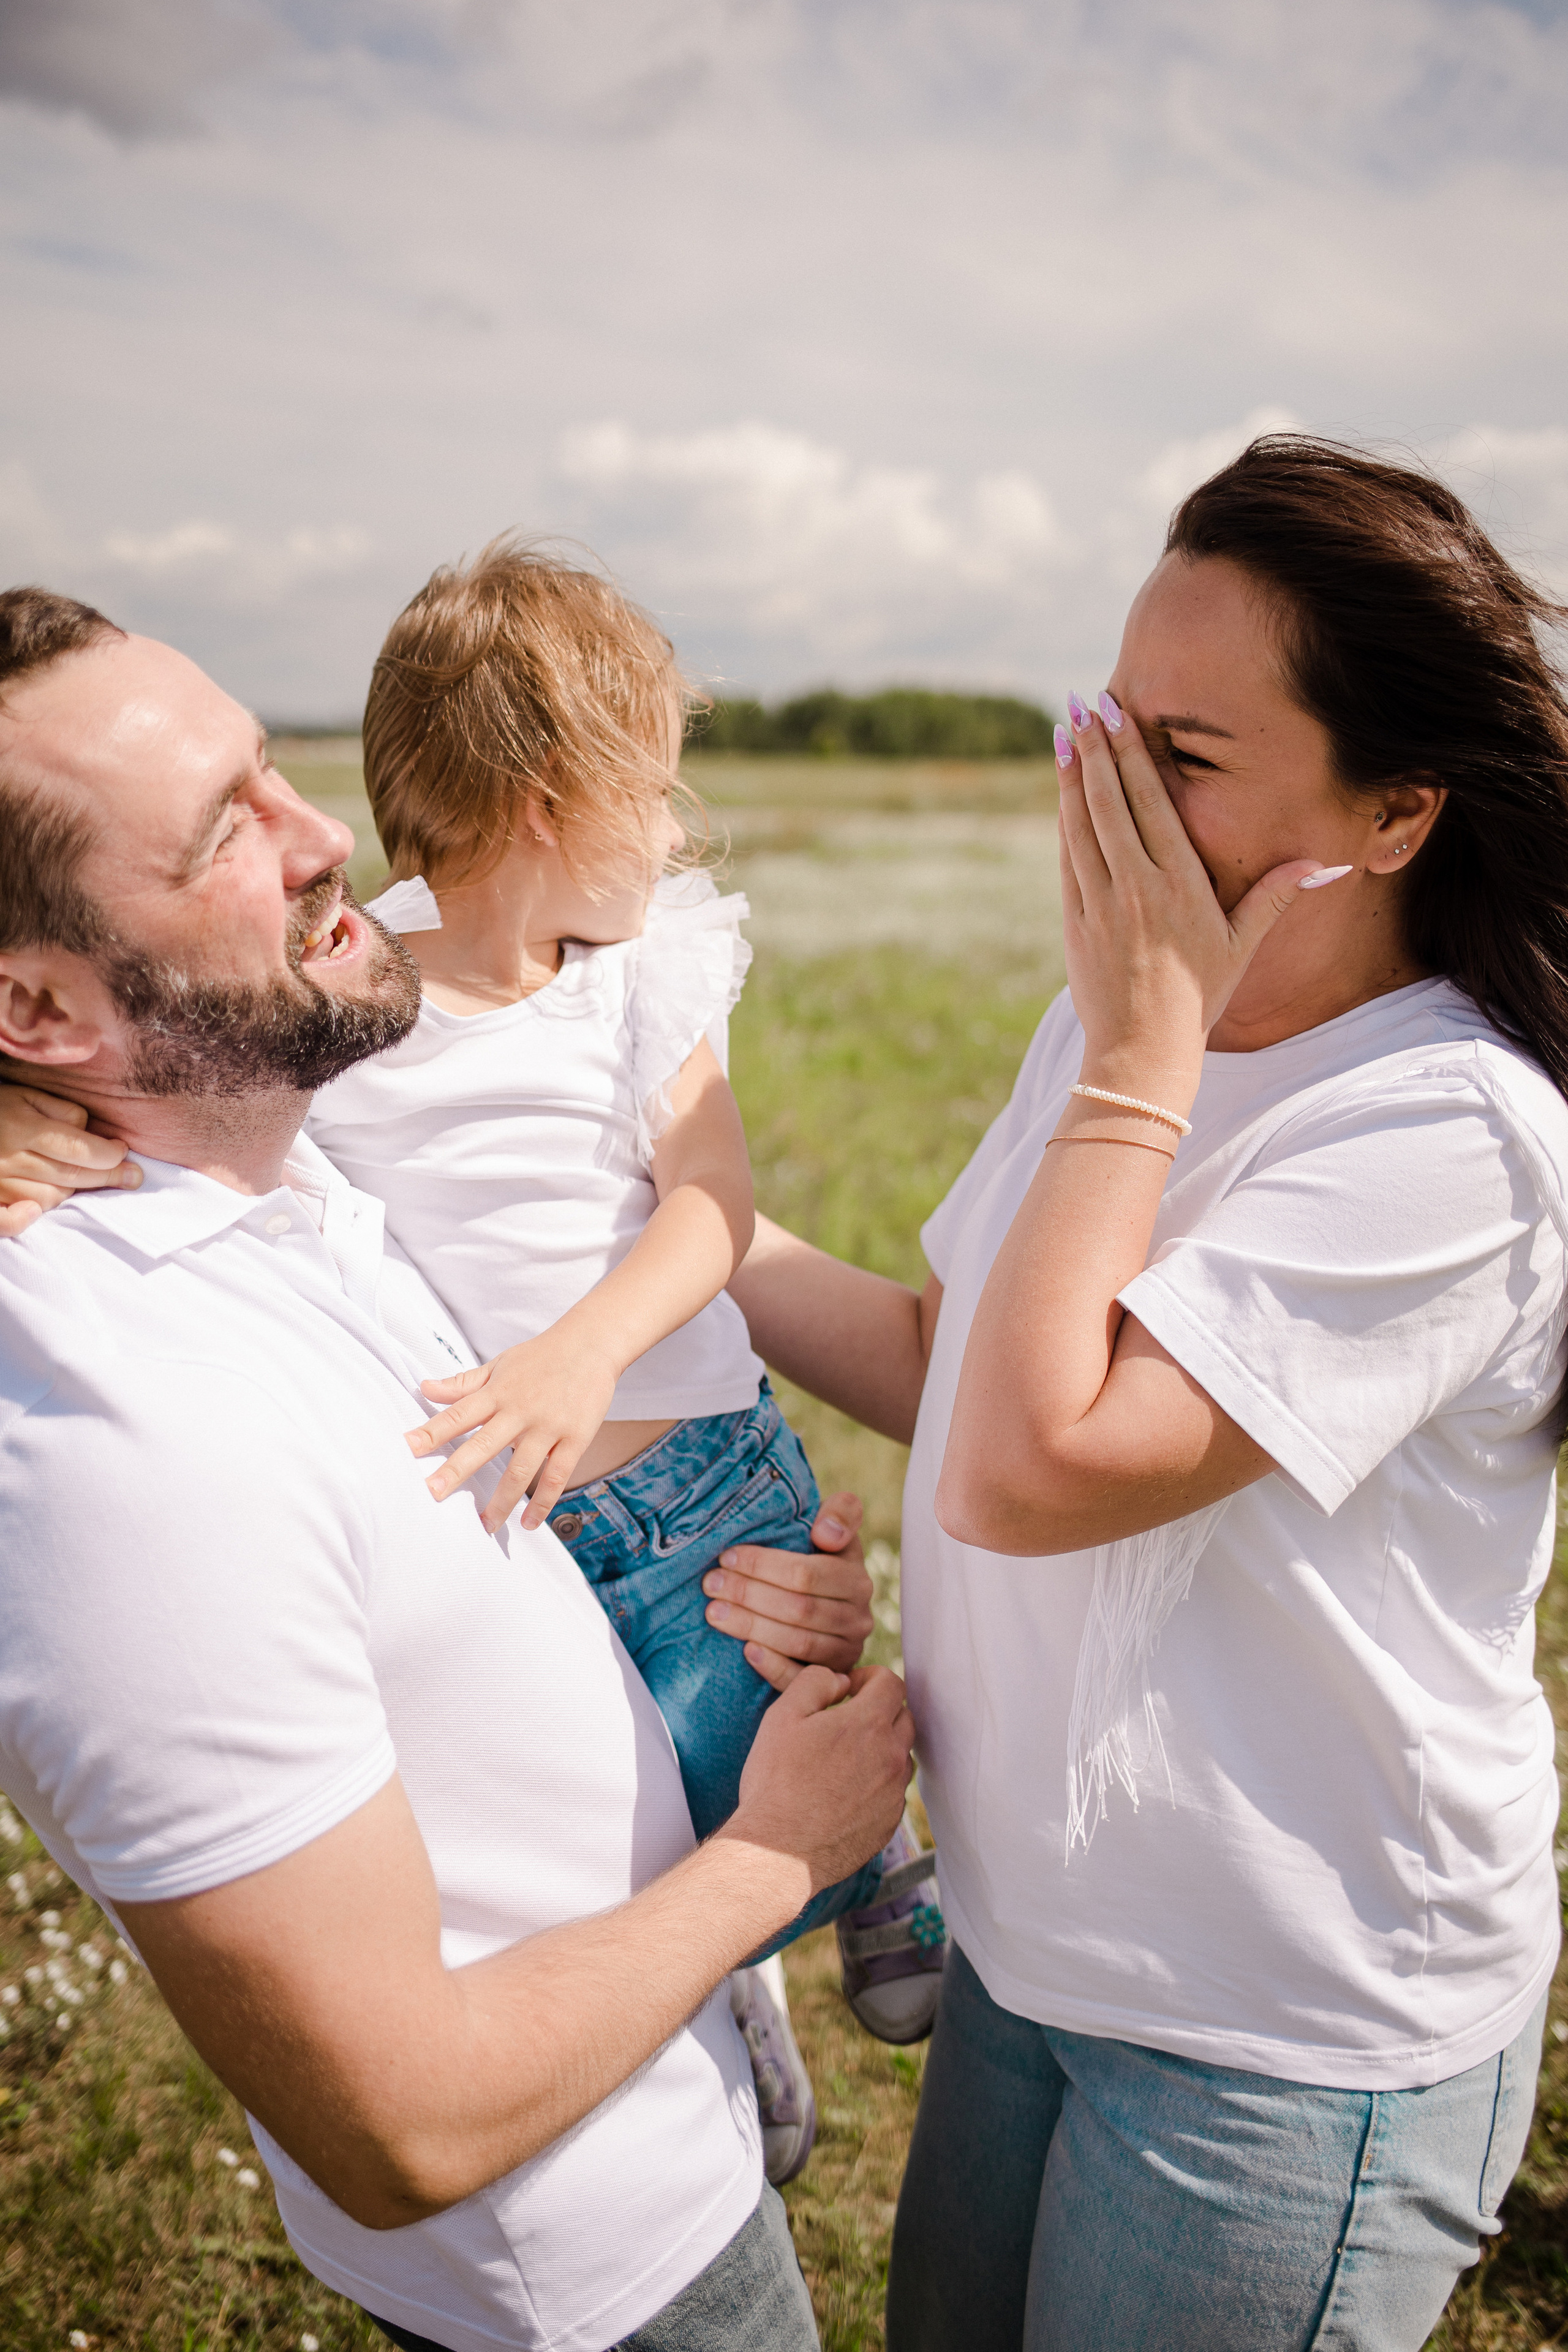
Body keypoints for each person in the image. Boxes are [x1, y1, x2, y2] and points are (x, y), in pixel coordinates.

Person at [0, 588, 917, 2352]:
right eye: (223, 827)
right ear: (37, 1004)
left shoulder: (285, 1165)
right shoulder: (110, 1421)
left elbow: (648, 1244)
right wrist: (781, 1857)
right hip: (589, 2259)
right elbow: (401, 2117)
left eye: (275, 772)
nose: (326, 835)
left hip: (654, 2073)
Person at [728, 437, 1568, 2351]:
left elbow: (1035, 1468)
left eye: (1181, 761)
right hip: (1039, 1957)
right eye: (1106, 726)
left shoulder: (1456, 1133)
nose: (1101, 796)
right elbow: (963, 1372)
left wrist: (1136, 1061)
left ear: (1396, 814)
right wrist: (671, 1220)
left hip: (1279, 2037)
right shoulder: (1116, 1026)